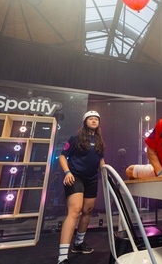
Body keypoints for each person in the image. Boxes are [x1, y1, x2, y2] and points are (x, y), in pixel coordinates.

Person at [56, 110, 105, 264]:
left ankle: (78, 244)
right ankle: (62, 257)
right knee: (75, 211)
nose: (94, 121)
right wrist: (67, 172)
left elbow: (101, 160)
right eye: (91, 119)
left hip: (92, 179)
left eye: (96, 119)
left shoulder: (99, 141)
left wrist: (105, 174)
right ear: (85, 122)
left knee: (88, 211)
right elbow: (63, 156)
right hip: (75, 177)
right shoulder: (76, 138)